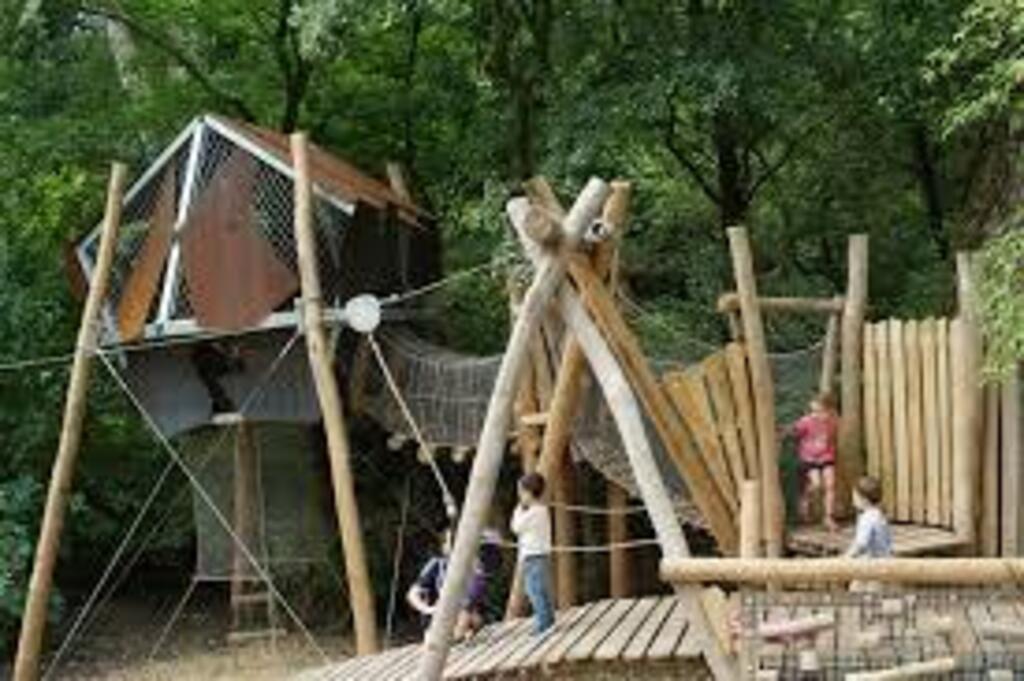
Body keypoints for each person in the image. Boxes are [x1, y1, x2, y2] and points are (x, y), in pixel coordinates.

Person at [406, 528, 491, 640]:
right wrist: (429, 609)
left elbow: (471, 600)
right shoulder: (437, 564)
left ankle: (456, 636)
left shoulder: (474, 567)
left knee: (467, 611)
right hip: (438, 618)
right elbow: (413, 594)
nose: (451, 546)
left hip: (466, 618)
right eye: (448, 542)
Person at [786, 392, 840, 532]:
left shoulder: (833, 421)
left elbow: (832, 437)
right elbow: (794, 432)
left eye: (820, 411)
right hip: (810, 458)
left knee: (831, 485)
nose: (815, 415)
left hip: (827, 457)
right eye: (813, 411)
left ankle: (828, 517)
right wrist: (789, 432)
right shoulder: (806, 421)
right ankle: (805, 497)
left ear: (830, 410)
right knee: (817, 485)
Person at [511, 472, 554, 635]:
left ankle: (544, 624)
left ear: (529, 493)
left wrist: (518, 509)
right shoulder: (540, 510)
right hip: (538, 556)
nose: (519, 496)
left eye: (521, 492)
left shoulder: (534, 512)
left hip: (534, 557)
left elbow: (516, 527)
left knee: (535, 590)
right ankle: (548, 620)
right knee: (540, 590)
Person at [845, 475, 892, 558]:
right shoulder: (879, 514)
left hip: (871, 561)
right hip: (884, 557)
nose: (853, 501)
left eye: (855, 498)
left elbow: (860, 544)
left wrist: (846, 557)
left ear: (864, 500)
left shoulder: (867, 518)